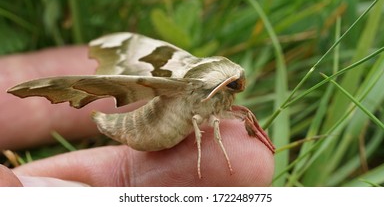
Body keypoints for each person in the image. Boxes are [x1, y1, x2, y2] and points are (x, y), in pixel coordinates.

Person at [0, 46, 274, 186]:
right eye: (234, 86)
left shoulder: (217, 100)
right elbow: (204, 121)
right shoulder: (193, 90)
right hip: (146, 128)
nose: (238, 91)